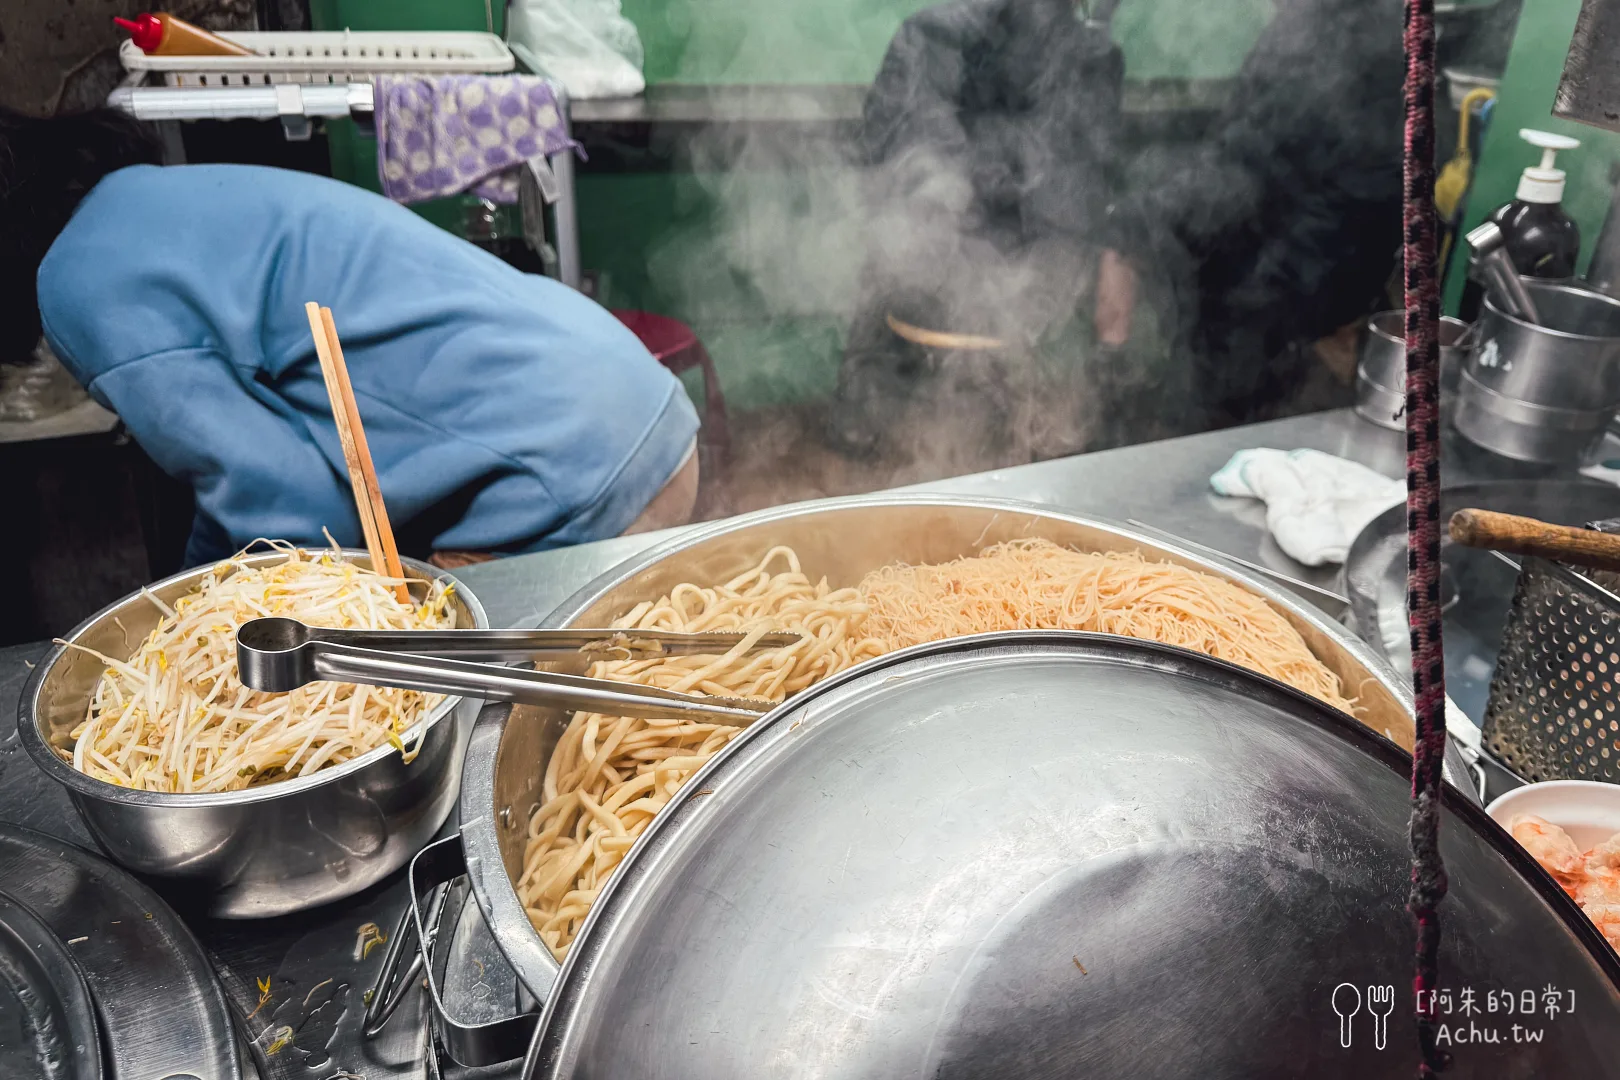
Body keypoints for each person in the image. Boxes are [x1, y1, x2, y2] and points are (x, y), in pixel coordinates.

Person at [1, 108, 700, 568]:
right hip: (637, 406)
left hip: (576, 484)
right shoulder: (149, 196)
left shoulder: (77, 278)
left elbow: (287, 513)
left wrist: (185, 614)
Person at [828, 0, 1137, 457]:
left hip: (987, 329)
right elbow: (902, 173)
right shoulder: (937, 35)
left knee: (921, 470)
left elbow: (1090, 194)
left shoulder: (1088, 56)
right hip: (954, 323)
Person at [1127, 0, 1406, 429]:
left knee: (1228, 396)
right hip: (1288, 250)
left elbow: (1342, 195)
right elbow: (1245, 155)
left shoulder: (1345, 29)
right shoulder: (1309, 20)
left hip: (1307, 268)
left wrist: (1258, 298)